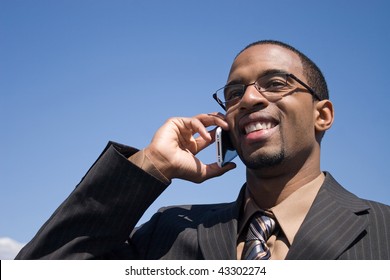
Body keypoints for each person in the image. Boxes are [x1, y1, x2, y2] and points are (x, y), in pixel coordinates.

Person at [16, 40, 390, 260]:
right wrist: (152, 164)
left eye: (275, 83)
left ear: (322, 115)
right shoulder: (170, 232)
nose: (249, 98)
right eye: (233, 93)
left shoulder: (382, 230)